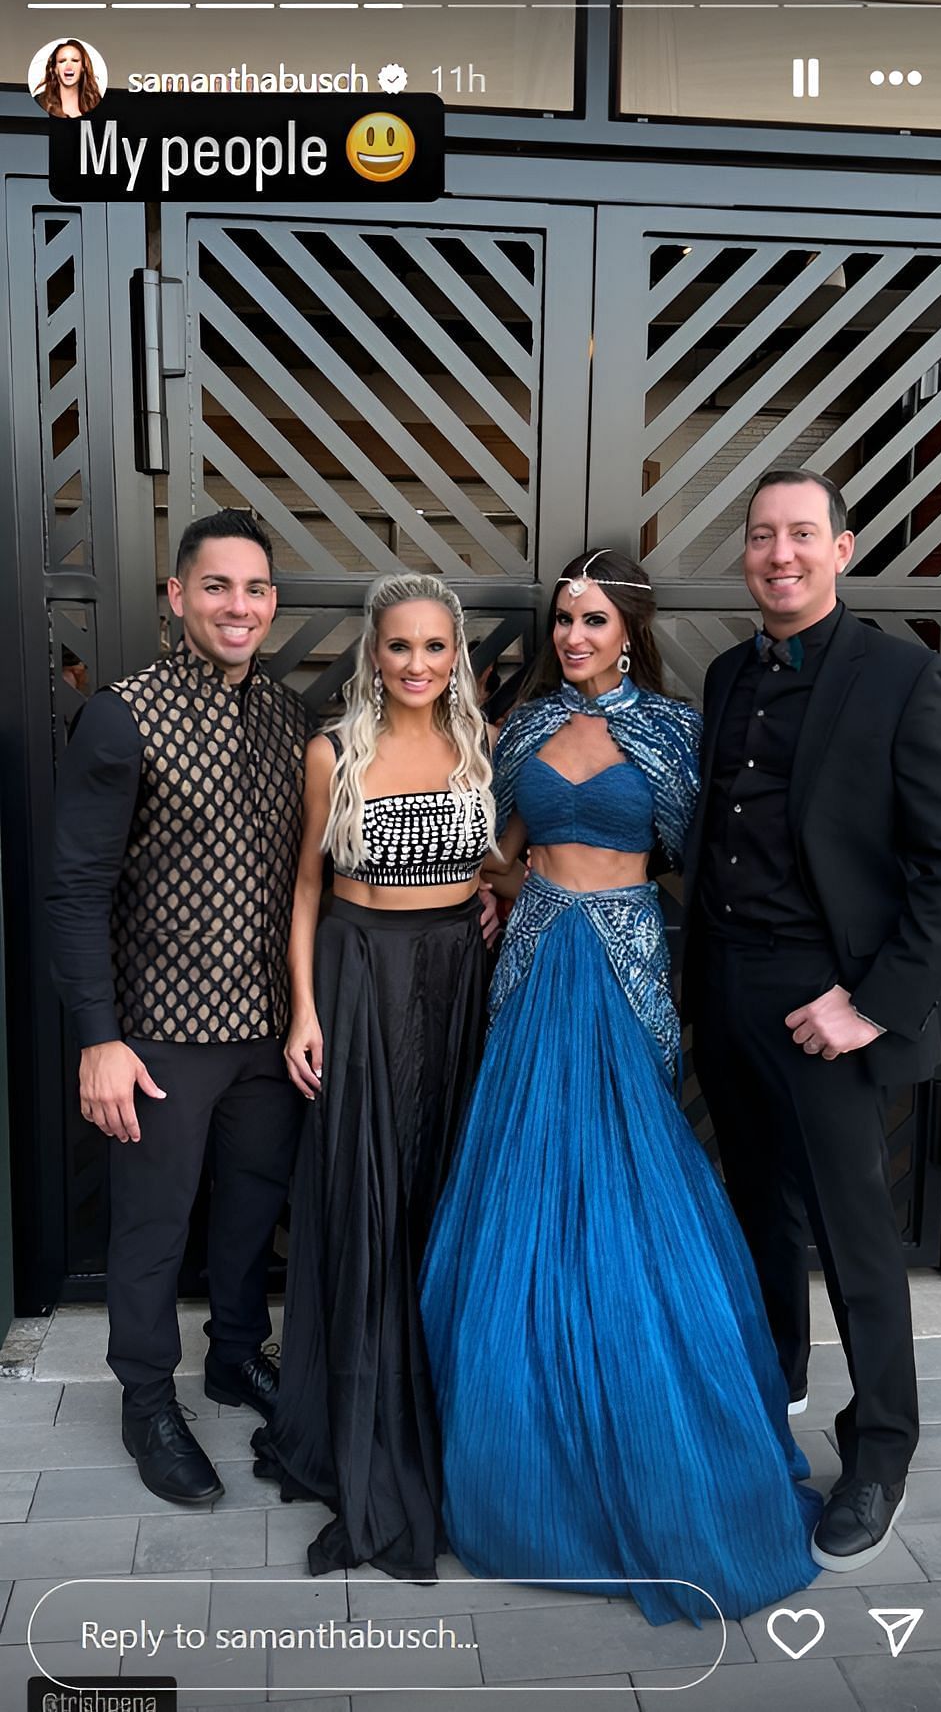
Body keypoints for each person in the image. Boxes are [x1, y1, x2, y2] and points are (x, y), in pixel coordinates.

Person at [420, 549, 822, 1626]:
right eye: (562, 621)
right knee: (522, 1183)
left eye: (593, 621)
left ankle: (661, 1424)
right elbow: (499, 849)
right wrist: (495, 895)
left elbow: (716, 855)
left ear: (630, 626)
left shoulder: (673, 732)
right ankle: (521, 1440)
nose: (572, 638)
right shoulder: (527, 730)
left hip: (629, 962)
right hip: (539, 957)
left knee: (631, 1181)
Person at [684, 466, 941, 1573]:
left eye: (802, 534)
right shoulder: (723, 676)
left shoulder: (908, 679)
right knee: (758, 1212)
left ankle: (883, 1452)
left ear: (842, 548)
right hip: (725, 991)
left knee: (858, 1243)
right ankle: (777, 1391)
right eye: (762, 536)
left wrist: (869, 1006)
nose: (780, 554)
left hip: (828, 1006)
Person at [46, 510, 311, 1505]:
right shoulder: (124, 713)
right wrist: (99, 1041)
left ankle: (237, 1355)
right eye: (216, 587)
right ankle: (147, 1397)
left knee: (251, 1211)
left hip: (265, 1029)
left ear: (271, 603)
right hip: (159, 1030)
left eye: (253, 589)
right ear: (177, 596)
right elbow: (75, 887)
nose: (237, 606)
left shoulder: (289, 720)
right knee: (153, 1227)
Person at [252, 572, 500, 1580]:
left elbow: (503, 863)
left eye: (435, 647)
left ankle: (444, 1395)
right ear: (373, 650)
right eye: (400, 646)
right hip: (359, 973)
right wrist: (304, 1010)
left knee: (443, 1181)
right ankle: (362, 1394)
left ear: (456, 656)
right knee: (368, 1186)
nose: (417, 665)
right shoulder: (333, 750)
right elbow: (306, 889)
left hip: (455, 974)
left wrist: (495, 897)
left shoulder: (478, 746)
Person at [34, 38, 102, 117]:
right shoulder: (40, 102)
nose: (69, 66)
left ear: (83, 67)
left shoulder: (95, 102)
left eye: (75, 60)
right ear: (55, 69)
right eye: (62, 61)